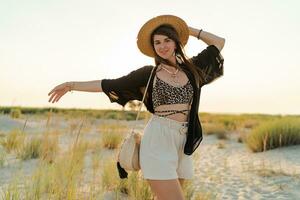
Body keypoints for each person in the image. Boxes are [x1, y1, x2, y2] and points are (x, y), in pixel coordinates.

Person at [48, 15, 225, 200]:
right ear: (153, 48)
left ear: (176, 42)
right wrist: (71, 85)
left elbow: (219, 42)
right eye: (157, 42)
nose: (162, 46)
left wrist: (186, 29)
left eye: (167, 40)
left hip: (184, 141)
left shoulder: (192, 69)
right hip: (157, 140)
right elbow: (109, 84)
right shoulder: (148, 74)